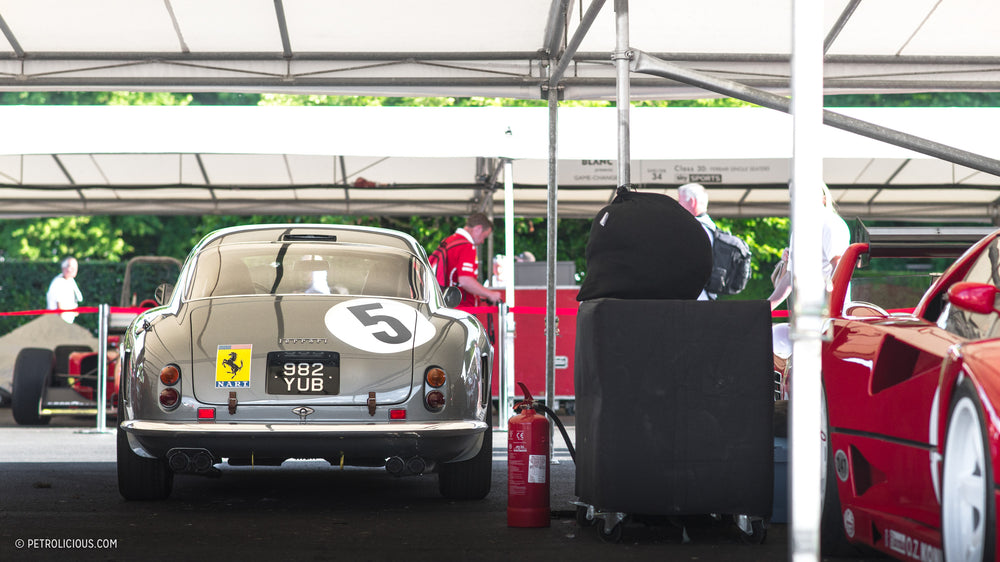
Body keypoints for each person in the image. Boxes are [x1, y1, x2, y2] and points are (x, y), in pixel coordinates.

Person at [767, 184, 850, 311]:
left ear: (823, 198)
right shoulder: (799, 228)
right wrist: (764, 309)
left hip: (829, 315)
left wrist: (828, 310)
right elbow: (789, 278)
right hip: (806, 314)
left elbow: (839, 267)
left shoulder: (830, 223)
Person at [440, 213, 503, 307]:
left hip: (443, 304)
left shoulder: (448, 241)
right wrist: (490, 294)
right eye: (484, 237)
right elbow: (465, 280)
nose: (482, 241)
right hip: (458, 309)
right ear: (478, 229)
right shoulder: (466, 246)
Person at [678, 182, 717, 301]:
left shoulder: (693, 229)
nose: (678, 206)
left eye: (680, 201)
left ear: (692, 202)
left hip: (694, 299)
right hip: (707, 296)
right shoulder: (712, 228)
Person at [46, 257, 84, 323]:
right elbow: (59, 306)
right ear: (64, 268)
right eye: (71, 267)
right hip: (57, 322)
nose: (74, 269)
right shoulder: (59, 282)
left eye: (75, 267)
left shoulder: (71, 281)